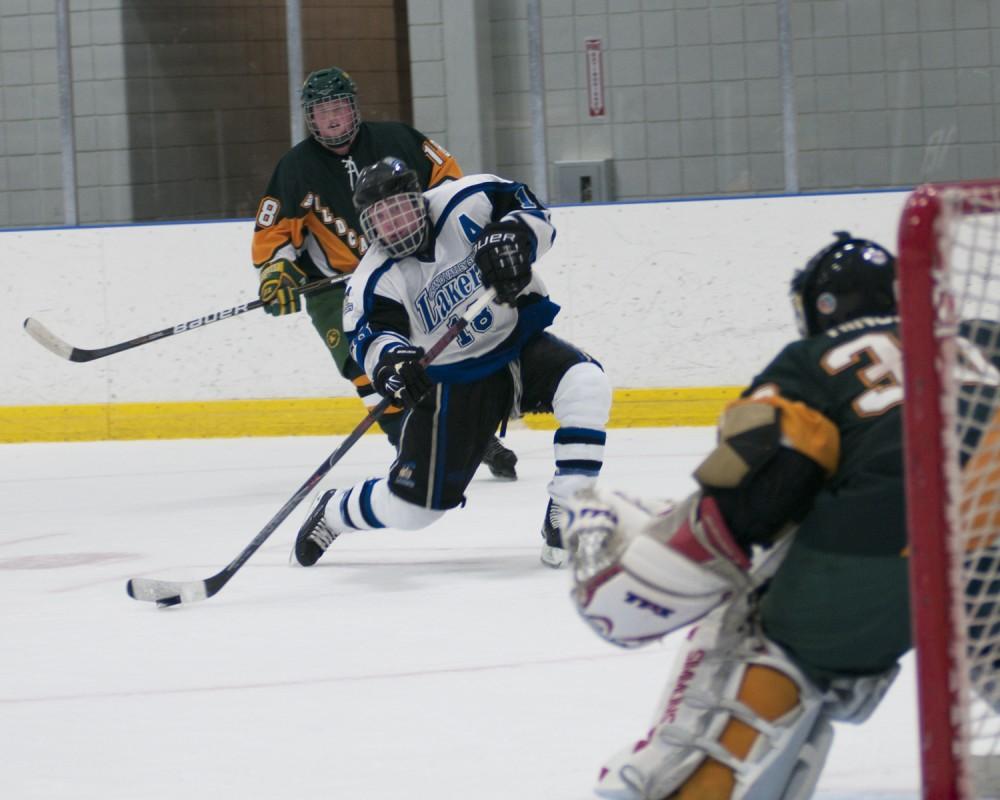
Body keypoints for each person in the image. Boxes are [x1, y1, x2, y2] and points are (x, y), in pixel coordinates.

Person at [561, 232, 908, 799]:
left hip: (898, 548)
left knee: (759, 612)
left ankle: (690, 778)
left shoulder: (811, 361)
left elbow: (768, 485)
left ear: (822, 307)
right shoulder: (975, 337)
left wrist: (669, 550)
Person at [289, 157, 611, 569]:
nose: (396, 225)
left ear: (419, 200)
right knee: (413, 510)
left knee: (586, 383)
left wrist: (515, 237)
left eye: (402, 209)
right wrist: (392, 362)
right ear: (368, 227)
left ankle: (567, 510)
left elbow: (531, 209)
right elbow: (369, 337)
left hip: (515, 346)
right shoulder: (374, 278)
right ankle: (335, 511)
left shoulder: (467, 199)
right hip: (454, 385)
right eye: (382, 219)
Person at [251, 65, 518, 478]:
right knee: (367, 366)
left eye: (339, 107)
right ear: (310, 118)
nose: (333, 118)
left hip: (407, 269)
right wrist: (276, 272)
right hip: (336, 291)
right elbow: (273, 234)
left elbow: (448, 181)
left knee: (437, 352)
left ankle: (477, 437)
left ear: (353, 107)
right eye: (323, 112)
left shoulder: (397, 139)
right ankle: (410, 447)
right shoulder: (294, 169)